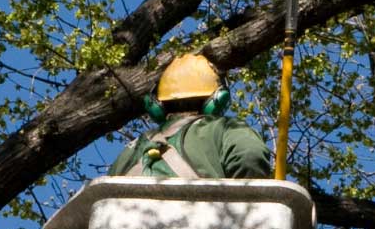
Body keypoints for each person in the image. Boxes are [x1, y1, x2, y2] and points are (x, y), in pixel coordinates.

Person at [109, 54, 271, 179]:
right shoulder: (224, 129)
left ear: (157, 104)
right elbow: (250, 156)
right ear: (218, 99)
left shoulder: (131, 150)